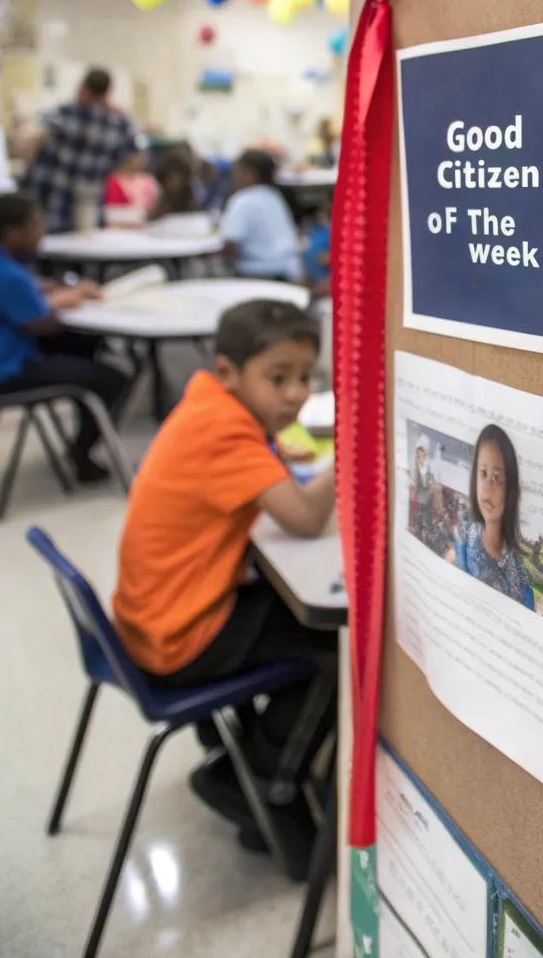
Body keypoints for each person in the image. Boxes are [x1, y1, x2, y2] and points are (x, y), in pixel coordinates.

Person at [112, 300, 335, 876]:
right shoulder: (225, 432)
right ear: (228, 372)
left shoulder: (209, 403)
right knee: (331, 647)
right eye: (278, 378)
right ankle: (262, 781)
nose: (296, 395)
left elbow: (271, 472)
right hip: (180, 636)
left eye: (306, 377)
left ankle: (245, 753)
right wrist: (356, 449)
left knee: (294, 614)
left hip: (152, 616)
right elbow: (305, 518)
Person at [0, 192, 131, 482]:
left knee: (86, 345)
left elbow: (29, 289)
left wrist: (55, 291)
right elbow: (45, 325)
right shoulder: (7, 275)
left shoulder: (5, 265)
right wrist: (61, 301)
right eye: (34, 225)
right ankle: (82, 452)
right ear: (11, 232)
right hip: (8, 370)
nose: (40, 232)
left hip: (9, 357)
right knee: (111, 379)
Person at [24, 68, 140, 234]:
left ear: (83, 89)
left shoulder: (63, 115)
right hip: (88, 215)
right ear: (108, 93)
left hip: (51, 209)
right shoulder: (118, 125)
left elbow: (31, 138)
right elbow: (135, 157)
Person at [448, 424, 533, 609]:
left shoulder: (519, 574)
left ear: (510, 489)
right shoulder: (462, 539)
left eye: (496, 478)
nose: (486, 490)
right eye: (483, 474)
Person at [221, 150, 300, 282]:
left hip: (257, 272)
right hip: (288, 268)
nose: (234, 178)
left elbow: (230, 244)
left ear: (251, 174)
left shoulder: (242, 200)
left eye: (237, 173)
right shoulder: (274, 195)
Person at [104, 148, 159, 224]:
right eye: (136, 156)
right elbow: (109, 212)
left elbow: (156, 204)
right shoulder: (112, 181)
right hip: (119, 224)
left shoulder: (148, 179)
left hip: (146, 223)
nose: (139, 160)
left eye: (142, 157)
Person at [149, 148, 199, 220]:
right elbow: (152, 217)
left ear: (185, 178)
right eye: (170, 178)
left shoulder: (189, 196)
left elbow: (194, 216)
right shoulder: (163, 196)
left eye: (178, 178)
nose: (174, 182)